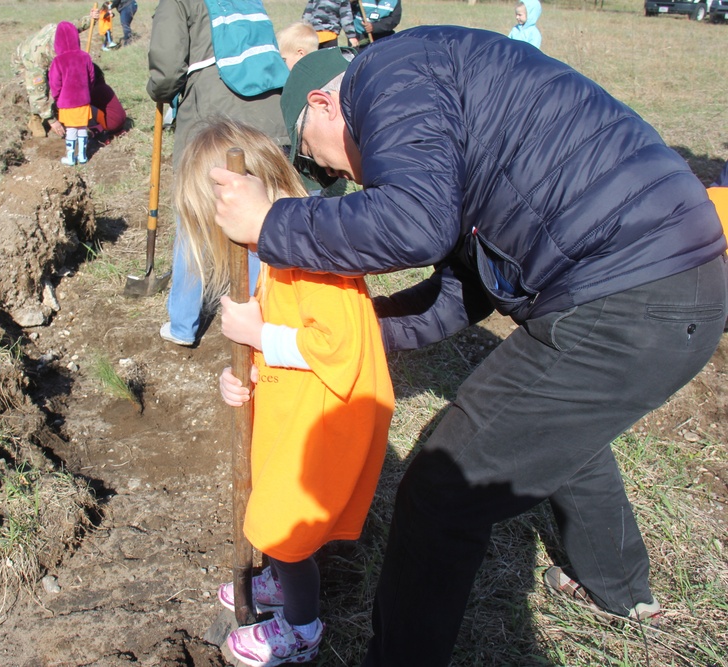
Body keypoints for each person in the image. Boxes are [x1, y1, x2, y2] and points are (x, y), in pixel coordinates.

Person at [209, 33, 727, 666]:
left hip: (634, 288)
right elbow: (461, 293)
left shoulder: (387, 72)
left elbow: (413, 224)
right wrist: (356, 331)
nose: (337, 176)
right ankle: (616, 587)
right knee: (553, 421)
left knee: (438, 494)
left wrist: (270, 225)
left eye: (320, 162)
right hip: (669, 276)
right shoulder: (437, 105)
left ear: (323, 103)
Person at [177, 118, 394, 667]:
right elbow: (285, 346)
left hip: (325, 425)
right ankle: (279, 578)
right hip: (292, 411)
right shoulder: (280, 255)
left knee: (283, 528)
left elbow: (338, 349)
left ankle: (301, 628)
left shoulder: (317, 261)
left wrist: (257, 335)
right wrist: (244, 373)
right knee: (274, 520)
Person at [148, 0, 289, 347]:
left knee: (194, 222)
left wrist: (158, 91)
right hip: (272, 119)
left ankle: (183, 324)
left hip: (215, 119)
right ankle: (261, 320)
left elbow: (166, 71)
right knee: (259, 220)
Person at [14, 23, 126, 141]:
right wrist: (53, 121)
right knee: (38, 89)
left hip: (110, 123)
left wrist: (90, 18)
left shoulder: (62, 32)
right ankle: (36, 117)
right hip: (24, 61)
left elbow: (75, 26)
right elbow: (37, 93)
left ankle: (58, 113)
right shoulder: (36, 60)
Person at [48, 22, 95, 166]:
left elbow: (55, 84)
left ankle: (70, 157)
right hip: (84, 100)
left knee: (71, 130)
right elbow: (91, 78)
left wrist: (57, 98)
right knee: (82, 127)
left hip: (67, 103)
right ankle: (82, 156)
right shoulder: (85, 56)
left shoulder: (58, 61)